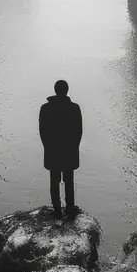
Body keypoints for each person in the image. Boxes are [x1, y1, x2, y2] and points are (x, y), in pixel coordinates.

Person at [39, 79, 83, 220]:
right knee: (69, 181)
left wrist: (48, 147)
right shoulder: (75, 108)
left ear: (55, 90)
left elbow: (43, 131)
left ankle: (57, 210)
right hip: (69, 151)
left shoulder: (45, 108)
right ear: (67, 91)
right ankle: (70, 209)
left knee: (54, 181)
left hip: (53, 151)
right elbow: (79, 131)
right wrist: (74, 147)